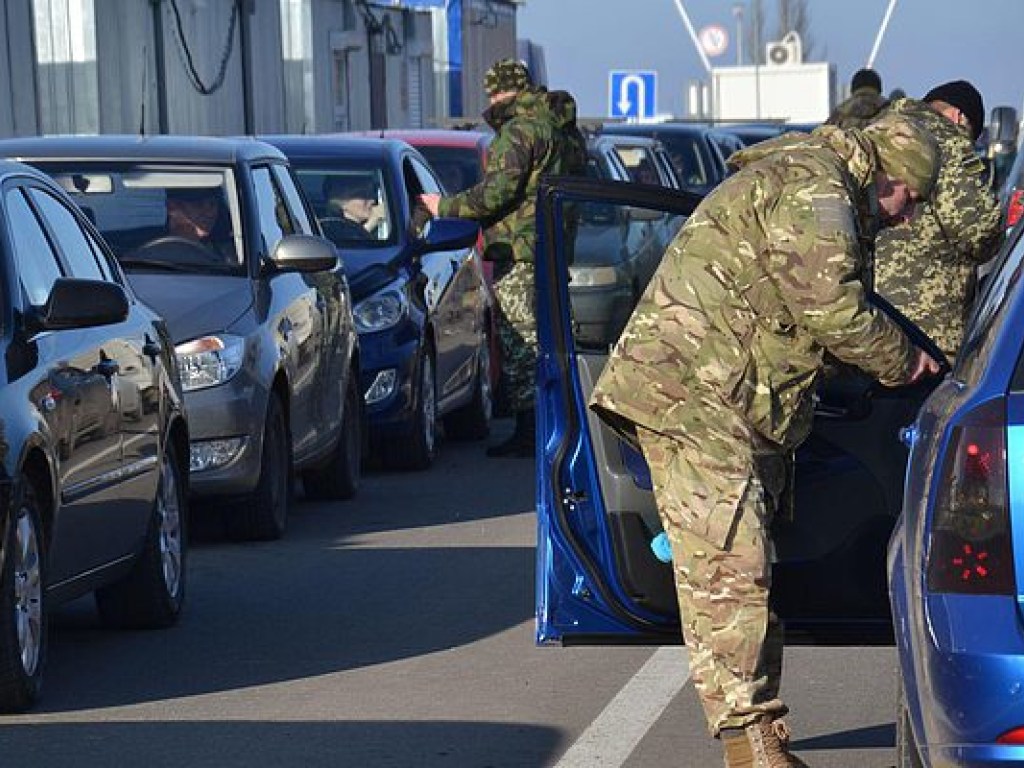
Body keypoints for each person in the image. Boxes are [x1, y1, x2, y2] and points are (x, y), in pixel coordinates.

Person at [588, 113, 942, 768]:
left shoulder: (821, 181)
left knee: (743, 568)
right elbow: (832, 309)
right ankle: (749, 744)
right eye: (909, 199)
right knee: (732, 569)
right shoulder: (817, 188)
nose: (909, 217)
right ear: (887, 176)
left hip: (725, 397)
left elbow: (793, 309)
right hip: (692, 396)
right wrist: (907, 364)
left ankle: (760, 736)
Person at [418, 59, 587, 458]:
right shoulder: (560, 129)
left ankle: (531, 431)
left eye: (492, 93)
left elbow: (497, 194)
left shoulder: (518, 132)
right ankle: (559, 423)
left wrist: (443, 206)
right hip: (553, 247)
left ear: (499, 92)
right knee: (551, 339)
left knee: (520, 341)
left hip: (520, 250)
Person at [874, 80, 1004, 359]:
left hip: (868, 320)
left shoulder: (879, 130)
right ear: (959, 117)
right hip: (926, 327)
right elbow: (979, 230)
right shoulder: (948, 141)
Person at [160, 186, 236, 263]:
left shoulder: (231, 254)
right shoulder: (151, 259)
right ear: (172, 207)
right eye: (198, 205)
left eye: (212, 204)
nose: (209, 213)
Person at [321, 174, 385, 243]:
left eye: (372, 194)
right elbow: (347, 247)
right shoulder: (331, 228)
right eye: (363, 195)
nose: (372, 200)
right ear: (341, 202)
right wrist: (372, 222)